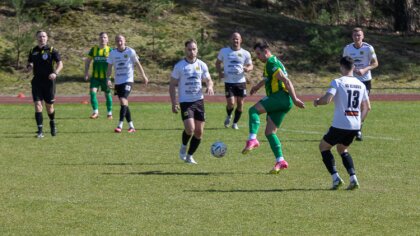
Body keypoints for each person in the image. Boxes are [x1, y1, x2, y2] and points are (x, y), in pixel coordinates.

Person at [242, 41, 305, 174]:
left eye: (259, 53)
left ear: (266, 51)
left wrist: (295, 99)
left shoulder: (271, 62)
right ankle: (280, 161)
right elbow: (267, 79)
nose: (258, 57)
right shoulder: (272, 62)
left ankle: (252, 138)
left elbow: (286, 81)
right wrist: (256, 87)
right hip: (283, 101)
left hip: (280, 97)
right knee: (270, 132)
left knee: (253, 110)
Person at [313, 56, 371, 190]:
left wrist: (317, 102)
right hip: (355, 125)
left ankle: (335, 178)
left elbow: (327, 100)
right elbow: (367, 107)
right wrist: (359, 122)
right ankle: (353, 178)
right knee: (342, 149)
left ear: (341, 67)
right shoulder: (361, 84)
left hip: (341, 124)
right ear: (353, 68)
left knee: (324, 147)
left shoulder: (337, 82)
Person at [169, 39, 214, 164]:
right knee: (190, 129)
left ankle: (190, 156)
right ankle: (183, 146)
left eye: (194, 49)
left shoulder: (202, 65)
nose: (191, 52)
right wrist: (174, 102)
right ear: (185, 50)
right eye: (189, 49)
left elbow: (209, 80)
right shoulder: (179, 66)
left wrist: (209, 86)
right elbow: (172, 85)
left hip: (199, 101)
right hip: (185, 102)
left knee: (199, 132)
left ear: (197, 50)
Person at [106, 34, 148, 133]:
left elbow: (138, 64)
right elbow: (109, 67)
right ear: (115, 42)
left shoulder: (130, 51)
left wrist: (143, 76)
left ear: (125, 41)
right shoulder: (113, 53)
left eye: (121, 40)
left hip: (128, 80)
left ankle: (119, 125)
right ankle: (131, 126)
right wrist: (108, 79)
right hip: (118, 81)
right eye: (117, 41)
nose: (119, 42)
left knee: (123, 100)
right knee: (123, 103)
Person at [343, 27, 378, 141]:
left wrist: (365, 69)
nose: (357, 37)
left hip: (365, 80)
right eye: (355, 35)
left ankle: (358, 128)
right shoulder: (347, 48)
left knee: (365, 106)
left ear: (363, 36)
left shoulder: (368, 48)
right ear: (352, 37)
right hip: (352, 80)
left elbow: (375, 63)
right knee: (353, 106)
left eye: (359, 35)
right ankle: (351, 129)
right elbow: (344, 64)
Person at [27, 30, 63, 138]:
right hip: (37, 81)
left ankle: (52, 123)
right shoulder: (32, 51)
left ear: (47, 38)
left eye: (43, 36)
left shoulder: (52, 50)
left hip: (49, 82)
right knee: (38, 105)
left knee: (49, 107)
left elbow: (60, 64)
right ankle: (40, 131)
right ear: (36, 38)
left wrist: (55, 73)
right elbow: (30, 63)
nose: (41, 38)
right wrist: (29, 67)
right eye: (39, 36)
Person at [215, 32, 253, 129]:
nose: (235, 40)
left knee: (240, 104)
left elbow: (250, 65)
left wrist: (248, 69)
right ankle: (229, 115)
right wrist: (220, 73)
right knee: (231, 103)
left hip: (241, 82)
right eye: (233, 39)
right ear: (231, 40)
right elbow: (218, 63)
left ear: (241, 40)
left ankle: (235, 123)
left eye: (237, 39)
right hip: (229, 82)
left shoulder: (245, 53)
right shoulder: (224, 51)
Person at [84, 32, 113, 119]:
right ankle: (95, 112)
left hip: (106, 77)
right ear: (98, 39)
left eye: (104, 37)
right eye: (101, 37)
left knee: (107, 94)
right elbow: (88, 61)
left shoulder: (110, 50)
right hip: (95, 77)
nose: (103, 39)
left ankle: (109, 113)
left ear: (107, 40)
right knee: (92, 93)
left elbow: (114, 64)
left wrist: (111, 77)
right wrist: (86, 72)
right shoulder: (94, 50)